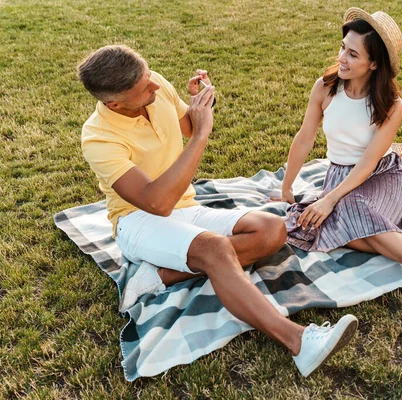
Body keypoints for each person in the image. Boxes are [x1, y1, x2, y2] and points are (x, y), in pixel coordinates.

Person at [76, 45, 357, 377]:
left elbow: (191, 128)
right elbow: (157, 203)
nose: (155, 84)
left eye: (149, 74)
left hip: (186, 208)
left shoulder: (155, 84)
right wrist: (203, 135)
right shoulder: (98, 138)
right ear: (115, 103)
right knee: (216, 247)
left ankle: (161, 276)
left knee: (272, 229)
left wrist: (202, 105)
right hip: (136, 221)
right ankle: (299, 342)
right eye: (145, 86)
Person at [274, 8, 402, 319]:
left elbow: (368, 163)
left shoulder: (392, 105)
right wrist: (287, 187)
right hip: (341, 177)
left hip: (382, 176)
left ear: (374, 63)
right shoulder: (325, 88)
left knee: (350, 215)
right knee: (324, 228)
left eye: (353, 54)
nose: (342, 57)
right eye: (343, 47)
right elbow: (304, 139)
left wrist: (329, 200)